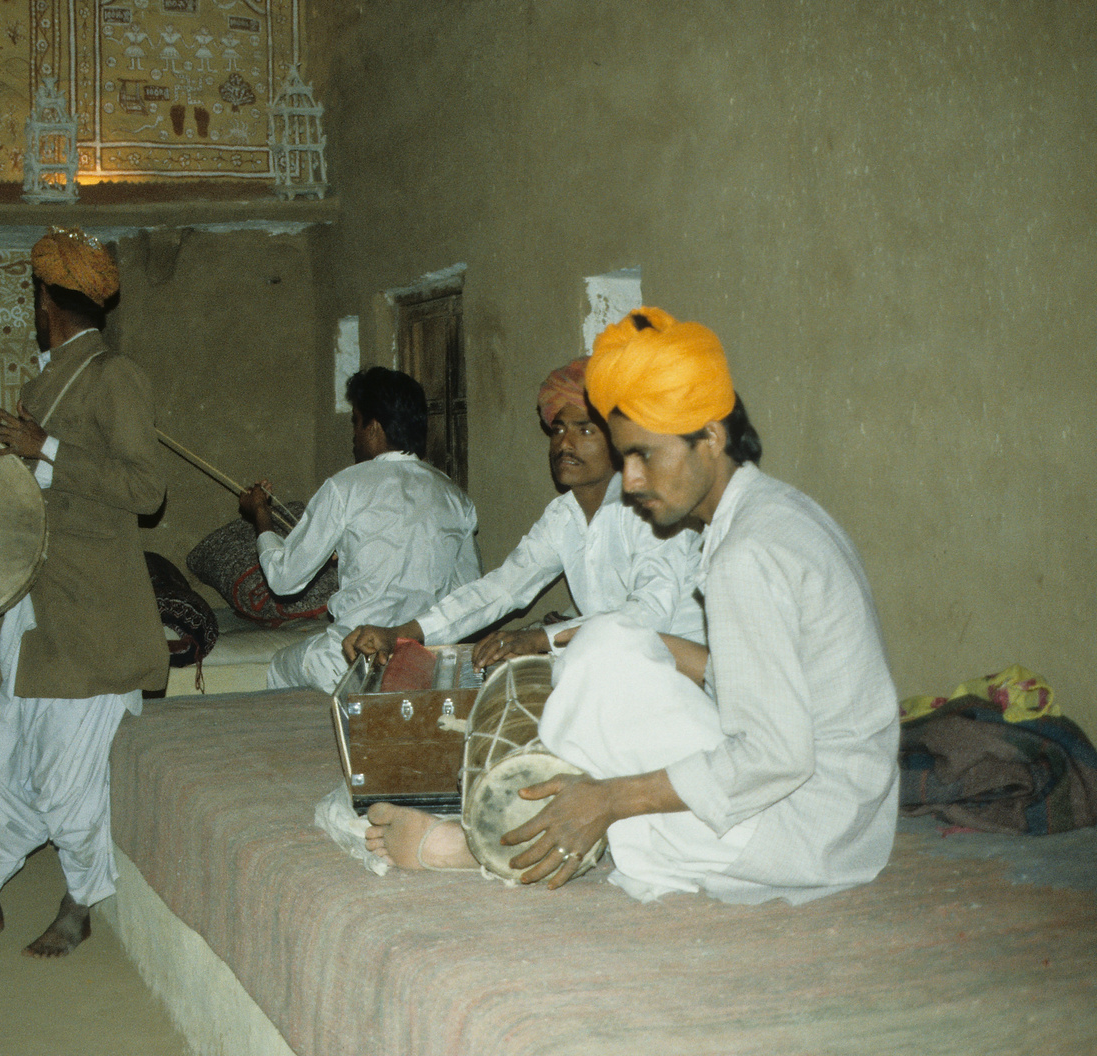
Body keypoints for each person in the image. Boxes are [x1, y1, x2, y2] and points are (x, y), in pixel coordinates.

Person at [368, 307, 899, 905]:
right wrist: (627, 648)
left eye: (646, 455)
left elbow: (774, 757)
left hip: (802, 828)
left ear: (711, 437)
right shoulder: (773, 511)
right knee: (604, 647)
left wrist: (611, 798)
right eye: (628, 459)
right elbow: (768, 682)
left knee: (604, 669)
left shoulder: (745, 553)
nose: (634, 480)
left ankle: (500, 843)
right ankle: (559, 817)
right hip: (846, 814)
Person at [0, 227, 168, 959]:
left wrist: (47, 449)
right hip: (30, 603)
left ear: (44, 301)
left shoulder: (115, 377)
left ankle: (79, 900)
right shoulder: (43, 380)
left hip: (90, 609)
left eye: (35, 297)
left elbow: (145, 488)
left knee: (69, 778)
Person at [342, 357, 703, 672]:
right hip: (615, 665)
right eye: (558, 429)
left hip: (685, 678)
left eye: (586, 430)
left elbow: (646, 614)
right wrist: (401, 633)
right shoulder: (564, 515)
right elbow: (502, 588)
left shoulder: (655, 508)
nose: (564, 443)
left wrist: (538, 639)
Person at [237, 366, 480, 692]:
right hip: (425, 664)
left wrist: (261, 517)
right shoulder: (455, 497)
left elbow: (284, 579)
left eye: (356, 422)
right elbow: (470, 596)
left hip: (352, 657)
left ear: (374, 427)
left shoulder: (345, 486)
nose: (354, 434)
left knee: (283, 665)